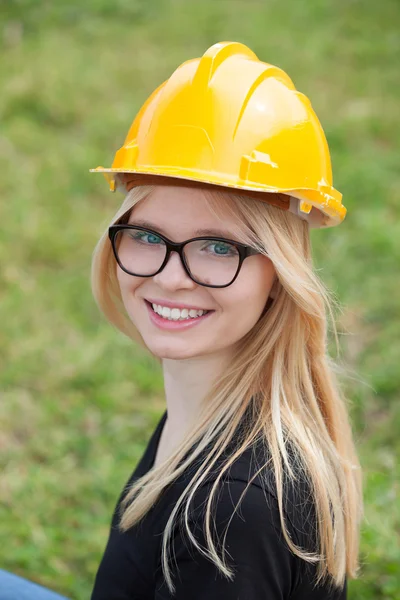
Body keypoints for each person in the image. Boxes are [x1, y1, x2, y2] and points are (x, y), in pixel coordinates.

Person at [87, 41, 364, 599]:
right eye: (146, 236)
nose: (171, 277)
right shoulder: (215, 406)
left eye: (217, 247)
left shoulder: (232, 513)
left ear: (279, 274)